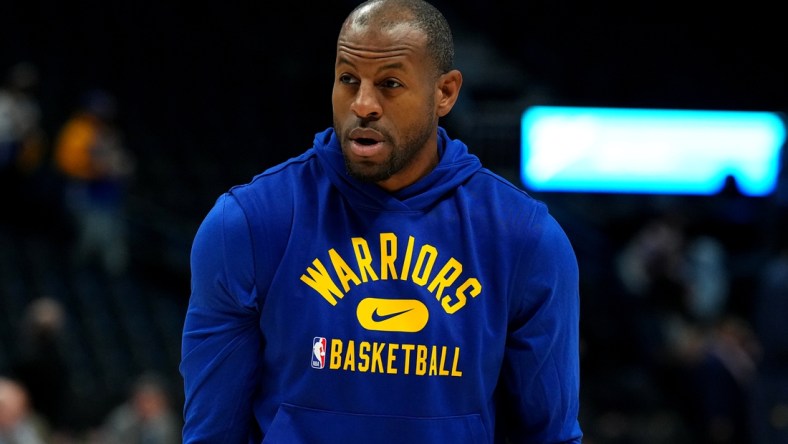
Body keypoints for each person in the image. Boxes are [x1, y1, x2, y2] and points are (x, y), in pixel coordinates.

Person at [179, 0, 583, 442]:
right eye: (348, 80)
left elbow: (551, 435)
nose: (363, 104)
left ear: (444, 93)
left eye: (389, 84)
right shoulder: (249, 224)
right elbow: (212, 434)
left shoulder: (524, 238)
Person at [53, 89, 135, 277]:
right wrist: (101, 164)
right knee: (88, 239)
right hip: (85, 191)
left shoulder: (108, 132)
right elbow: (69, 165)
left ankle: (108, 280)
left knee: (112, 243)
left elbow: (124, 167)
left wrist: (116, 165)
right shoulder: (78, 130)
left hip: (109, 197)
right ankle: (75, 274)